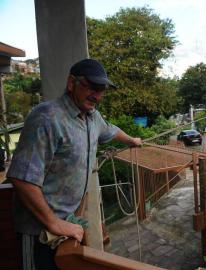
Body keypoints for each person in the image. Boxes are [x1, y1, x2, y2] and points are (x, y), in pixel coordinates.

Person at [7, 58, 142, 270]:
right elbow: (21, 177)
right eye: (92, 87)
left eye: (101, 90)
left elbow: (111, 129)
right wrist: (54, 223)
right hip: (40, 232)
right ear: (72, 83)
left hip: (67, 226)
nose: (97, 95)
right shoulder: (47, 118)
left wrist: (132, 141)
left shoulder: (92, 117)